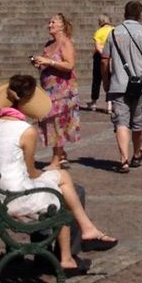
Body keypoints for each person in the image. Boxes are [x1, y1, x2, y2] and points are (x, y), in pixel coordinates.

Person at [0, 75, 117, 275]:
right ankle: (68, 256)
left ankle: (84, 235)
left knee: (61, 178)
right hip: (11, 198)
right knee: (62, 192)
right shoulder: (24, 130)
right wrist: (45, 173)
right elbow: (31, 172)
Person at [102, 1, 142, 173]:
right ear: (140, 14)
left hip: (119, 83)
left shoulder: (114, 33)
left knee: (121, 122)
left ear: (124, 13)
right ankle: (136, 154)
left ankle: (123, 160)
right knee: (137, 123)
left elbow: (104, 59)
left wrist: (106, 80)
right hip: (140, 85)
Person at [32, 12, 80, 168]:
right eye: (49, 22)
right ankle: (61, 155)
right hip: (49, 91)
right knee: (52, 124)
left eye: (53, 22)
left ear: (62, 26)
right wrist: (40, 63)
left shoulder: (65, 43)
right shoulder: (48, 44)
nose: (49, 25)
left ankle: (55, 161)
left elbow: (69, 65)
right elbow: (50, 62)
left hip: (63, 92)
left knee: (58, 125)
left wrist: (49, 61)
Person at [85, 14, 112, 110]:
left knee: (96, 80)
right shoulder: (114, 30)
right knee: (111, 79)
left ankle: (94, 102)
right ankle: (109, 103)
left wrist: (103, 54)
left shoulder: (98, 32)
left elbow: (98, 47)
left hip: (99, 57)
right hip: (111, 57)